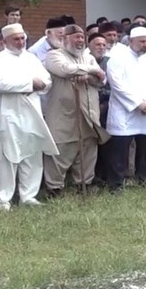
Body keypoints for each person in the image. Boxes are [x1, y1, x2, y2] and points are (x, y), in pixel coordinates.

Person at [0, 24, 58, 210]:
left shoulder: (31, 58)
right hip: (7, 114)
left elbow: (47, 81)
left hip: (32, 112)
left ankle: (29, 196)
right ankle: (2, 199)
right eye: (16, 39)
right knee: (6, 157)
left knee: (32, 154)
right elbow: (3, 84)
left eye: (22, 38)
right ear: (5, 41)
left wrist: (37, 84)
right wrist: (30, 83)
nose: (20, 42)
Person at [41, 24, 107, 195]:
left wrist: (90, 76)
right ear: (65, 38)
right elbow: (65, 70)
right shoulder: (54, 55)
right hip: (64, 113)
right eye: (76, 37)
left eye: (81, 37)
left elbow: (102, 80)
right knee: (61, 151)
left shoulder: (88, 57)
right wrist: (92, 70)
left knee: (87, 150)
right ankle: (55, 188)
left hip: (89, 112)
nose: (80, 41)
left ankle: (84, 184)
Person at [104, 27, 146, 193]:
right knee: (120, 152)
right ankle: (116, 185)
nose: (145, 45)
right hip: (125, 112)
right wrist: (138, 104)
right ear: (131, 41)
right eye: (142, 42)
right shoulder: (117, 58)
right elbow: (117, 85)